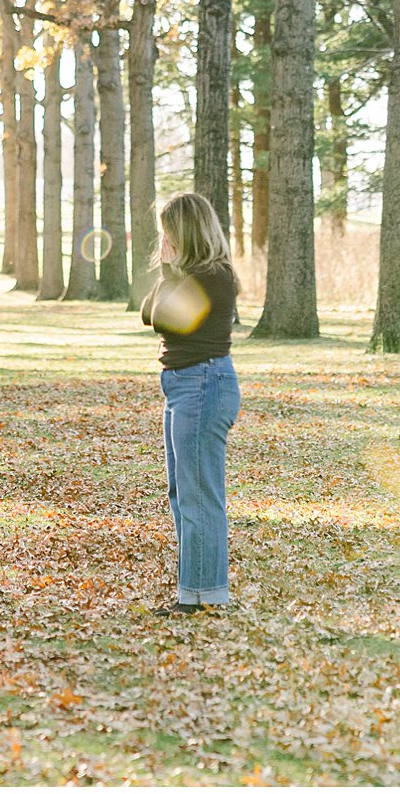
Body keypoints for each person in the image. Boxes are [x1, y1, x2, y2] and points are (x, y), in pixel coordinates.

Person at [139, 191, 241, 616]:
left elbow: (163, 317)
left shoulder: (213, 278)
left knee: (200, 495)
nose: (164, 241)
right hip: (184, 385)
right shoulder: (192, 275)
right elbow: (148, 311)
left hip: (203, 384)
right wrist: (167, 270)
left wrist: (167, 271)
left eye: (168, 233)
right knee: (183, 492)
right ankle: (198, 590)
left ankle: (202, 594)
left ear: (186, 232)